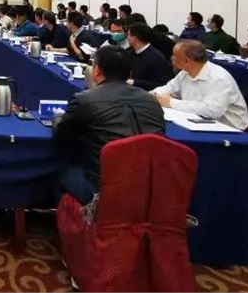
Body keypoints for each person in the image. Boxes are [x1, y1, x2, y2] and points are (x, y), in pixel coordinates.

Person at [52, 45, 165, 204]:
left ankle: (77, 218)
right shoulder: (152, 101)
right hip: (149, 189)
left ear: (96, 71)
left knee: (62, 172)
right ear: (129, 74)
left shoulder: (85, 99)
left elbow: (62, 136)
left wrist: (57, 117)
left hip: (102, 190)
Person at [152, 41, 248, 130]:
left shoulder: (219, 78)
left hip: (228, 129)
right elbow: (168, 89)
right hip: (196, 122)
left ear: (187, 61)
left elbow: (212, 111)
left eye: (175, 55)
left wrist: (171, 103)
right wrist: (150, 96)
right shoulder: (185, 73)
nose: (171, 58)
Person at [127, 22, 173, 91]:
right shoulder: (130, 53)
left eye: (128, 35)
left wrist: (134, 82)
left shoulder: (156, 58)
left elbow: (160, 85)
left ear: (134, 38)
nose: (127, 37)